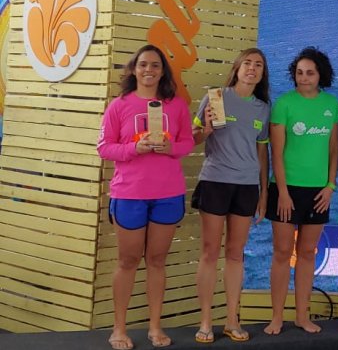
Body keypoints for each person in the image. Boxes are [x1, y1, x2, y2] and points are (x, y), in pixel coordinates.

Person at [97, 45, 195, 350]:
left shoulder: (176, 106)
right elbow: (104, 147)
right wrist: (132, 149)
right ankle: (118, 329)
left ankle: (155, 327)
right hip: (129, 194)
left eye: (155, 65)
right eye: (143, 65)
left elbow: (187, 142)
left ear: (163, 71)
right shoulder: (119, 106)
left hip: (168, 194)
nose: (148, 70)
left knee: (156, 260)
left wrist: (171, 148)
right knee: (128, 261)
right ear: (134, 69)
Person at [192, 48, 271, 343]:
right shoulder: (215, 97)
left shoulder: (263, 108)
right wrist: (206, 129)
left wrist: (264, 192)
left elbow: (262, 151)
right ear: (237, 68)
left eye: (258, 65)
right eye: (247, 63)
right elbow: (193, 138)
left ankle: (231, 320)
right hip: (215, 181)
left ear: (262, 73)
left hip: (247, 186)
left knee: (236, 253)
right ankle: (205, 321)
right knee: (210, 252)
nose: (252, 68)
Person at [263, 47, 338, 335]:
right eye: (299, 73)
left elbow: (333, 149)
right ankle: (276, 317)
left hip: (318, 191)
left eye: (309, 73)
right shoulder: (284, 104)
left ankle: (302, 316)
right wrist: (282, 192)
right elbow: (276, 153)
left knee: (307, 253)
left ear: (321, 75)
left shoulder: (331, 104)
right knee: (282, 252)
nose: (303, 78)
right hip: (286, 189)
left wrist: (330, 186)